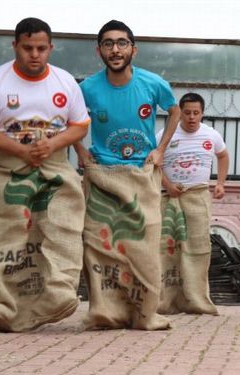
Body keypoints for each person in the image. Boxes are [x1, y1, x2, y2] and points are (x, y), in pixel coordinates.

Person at [0, 17, 90, 332]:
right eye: (27, 48)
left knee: (64, 227)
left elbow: (80, 124)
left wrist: (51, 144)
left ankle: (59, 295)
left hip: (56, 164)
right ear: (15, 47)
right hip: (8, 166)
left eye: (40, 48)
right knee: (2, 234)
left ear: (51, 48)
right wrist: (21, 150)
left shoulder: (64, 82)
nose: (34, 55)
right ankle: (4, 307)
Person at [75, 20, 180, 330]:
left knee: (143, 245)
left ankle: (144, 312)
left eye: (122, 43)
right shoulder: (87, 88)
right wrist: (81, 152)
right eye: (108, 44)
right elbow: (69, 120)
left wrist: (160, 149)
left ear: (133, 49)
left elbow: (173, 110)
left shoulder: (152, 83)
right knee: (99, 245)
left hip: (141, 175)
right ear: (99, 51)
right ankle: (107, 312)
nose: (115, 49)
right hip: (103, 175)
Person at [156, 92, 228, 315]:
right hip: (169, 197)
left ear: (202, 113)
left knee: (198, 248)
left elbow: (223, 156)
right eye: (187, 113)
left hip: (197, 197)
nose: (191, 117)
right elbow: (154, 163)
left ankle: (196, 300)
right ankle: (166, 301)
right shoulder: (165, 135)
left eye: (196, 113)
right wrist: (167, 185)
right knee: (167, 247)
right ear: (180, 113)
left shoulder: (211, 135)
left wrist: (221, 183)